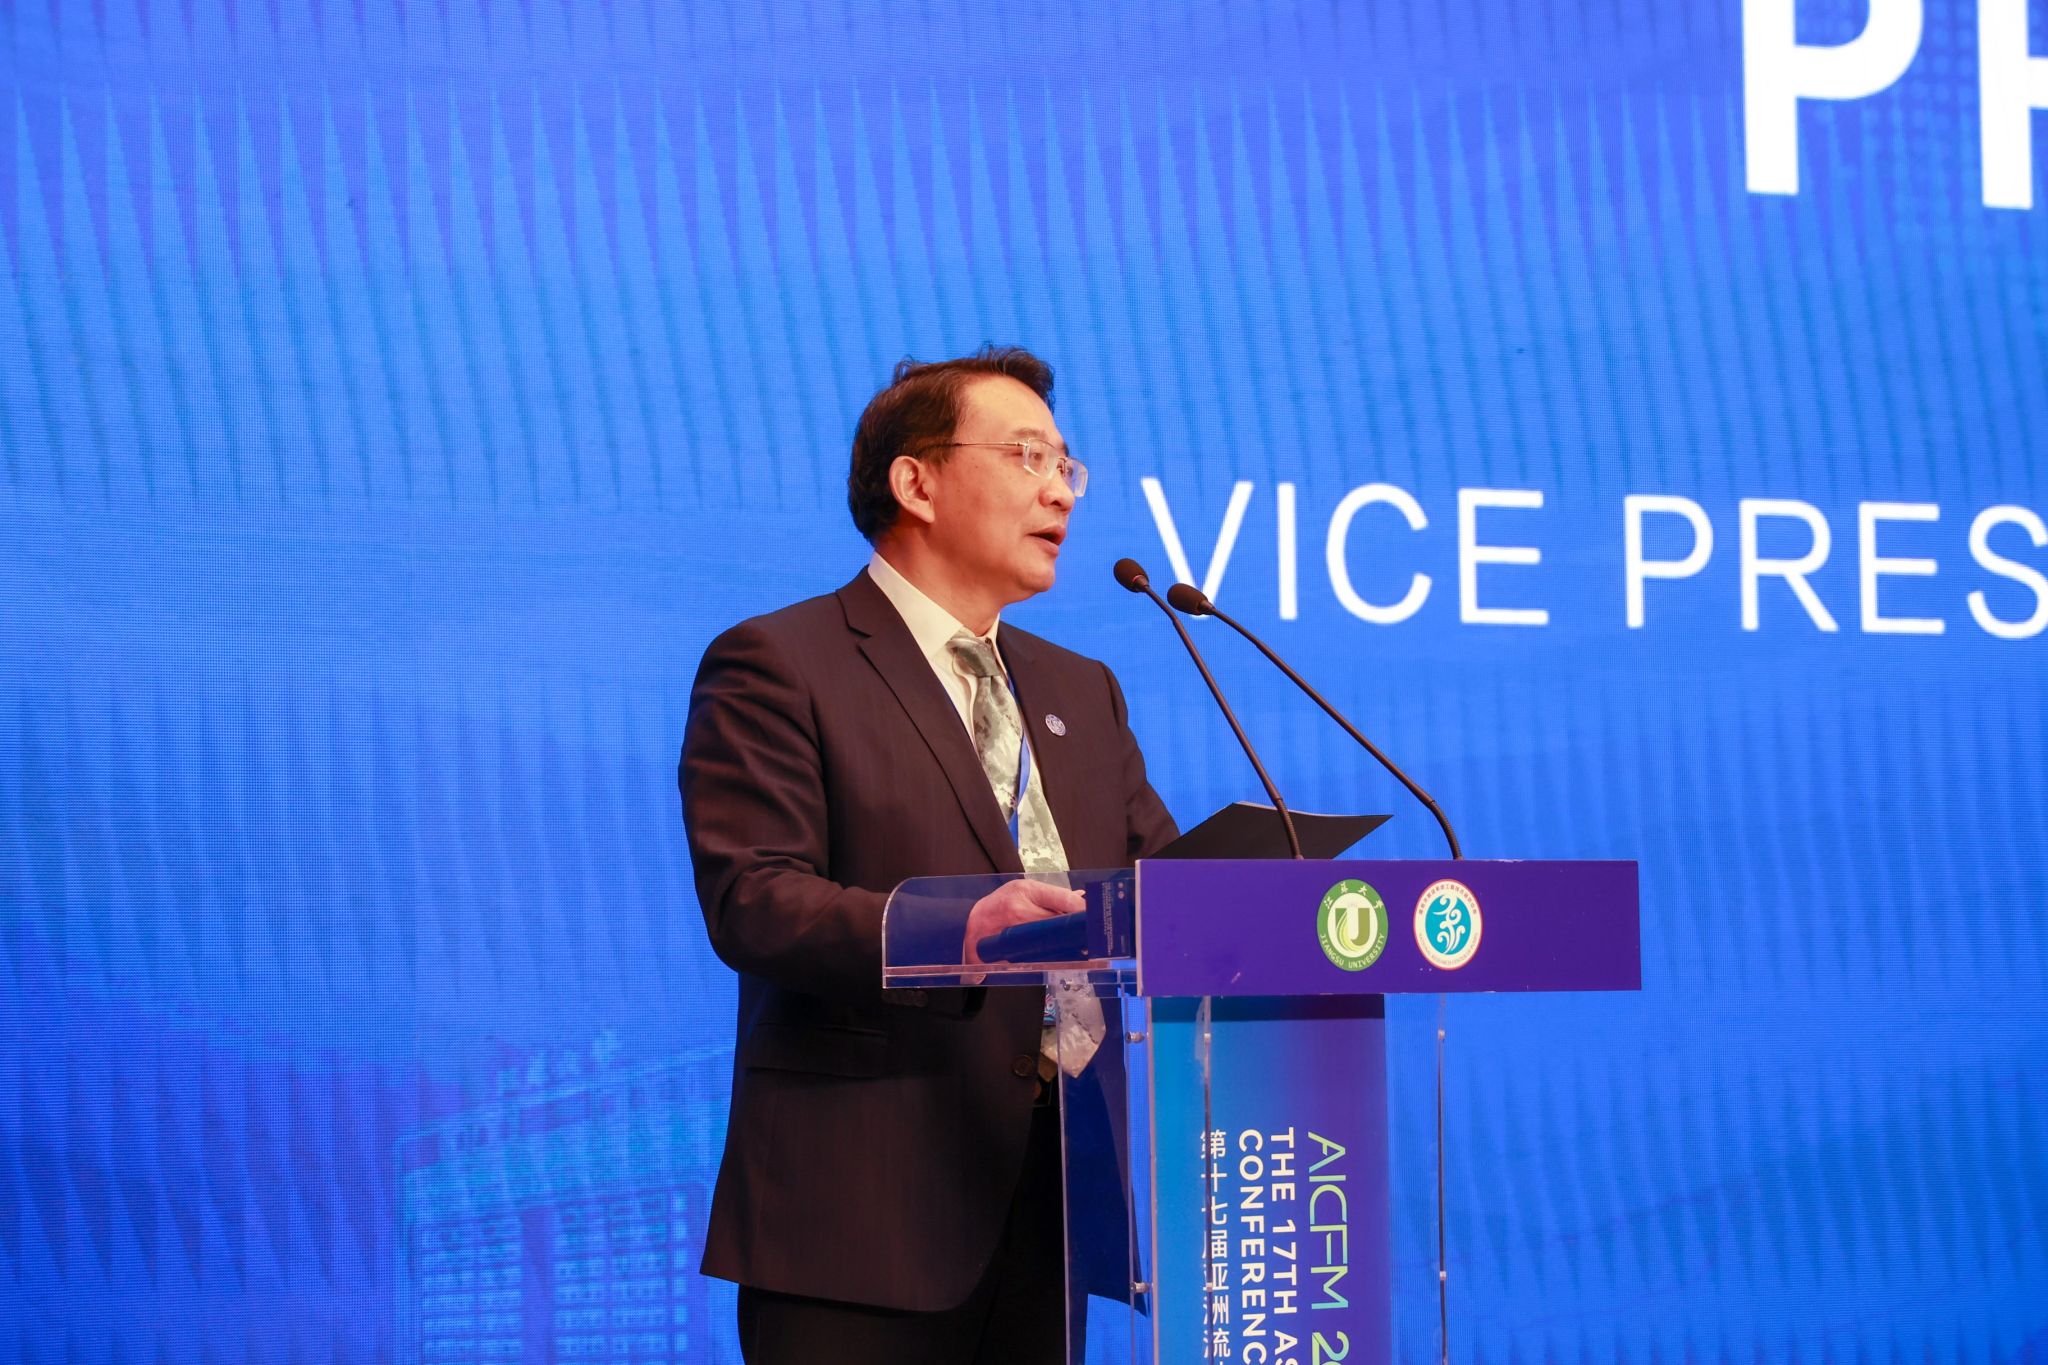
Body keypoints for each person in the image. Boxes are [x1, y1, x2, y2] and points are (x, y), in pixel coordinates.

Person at [679, 346, 1178, 1364]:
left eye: (1066, 465)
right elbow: (754, 898)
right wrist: (955, 931)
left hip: (1052, 1193)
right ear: (915, 482)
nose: (1060, 490)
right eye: (1027, 456)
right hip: (862, 1214)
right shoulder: (781, 662)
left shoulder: (1080, 689)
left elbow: (1156, 885)